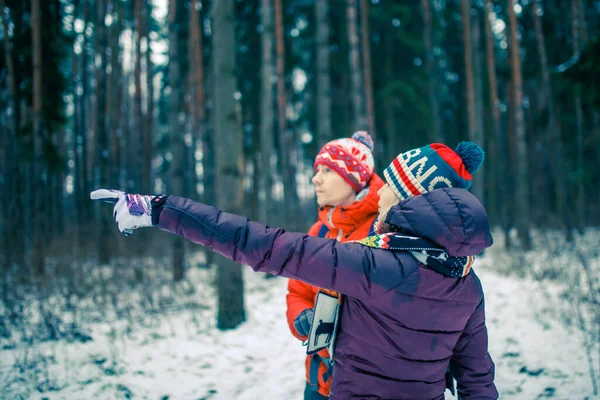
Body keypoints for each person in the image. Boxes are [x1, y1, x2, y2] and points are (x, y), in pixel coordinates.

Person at [91, 141, 499, 400]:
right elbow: (476, 378)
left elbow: (261, 243)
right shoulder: (466, 280)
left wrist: (161, 210)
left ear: (411, 201)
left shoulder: (372, 264)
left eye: (388, 190)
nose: (380, 197)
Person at [286, 131, 384, 399]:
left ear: (354, 179)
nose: (315, 178)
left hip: (370, 387)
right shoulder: (318, 232)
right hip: (319, 382)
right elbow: (298, 292)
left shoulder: (383, 231)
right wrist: (301, 317)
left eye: (327, 170)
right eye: (317, 170)